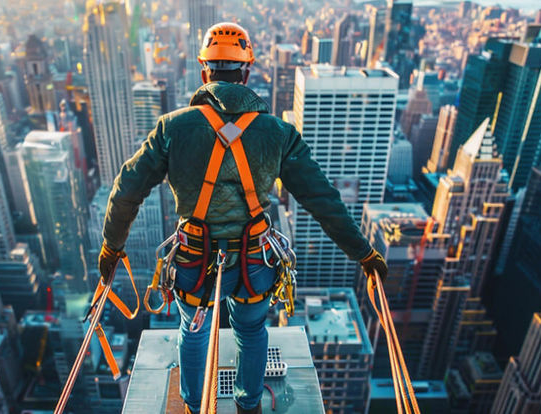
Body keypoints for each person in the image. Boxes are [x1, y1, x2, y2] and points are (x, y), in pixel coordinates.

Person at [98, 22, 388, 414]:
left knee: (195, 330)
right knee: (251, 333)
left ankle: (192, 405)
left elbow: (126, 190)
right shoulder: (277, 133)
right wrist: (364, 253)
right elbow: (324, 200)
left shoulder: (173, 128)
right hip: (254, 261)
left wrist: (111, 246)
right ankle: (248, 405)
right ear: (247, 72)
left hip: (193, 260)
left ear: (205, 72)